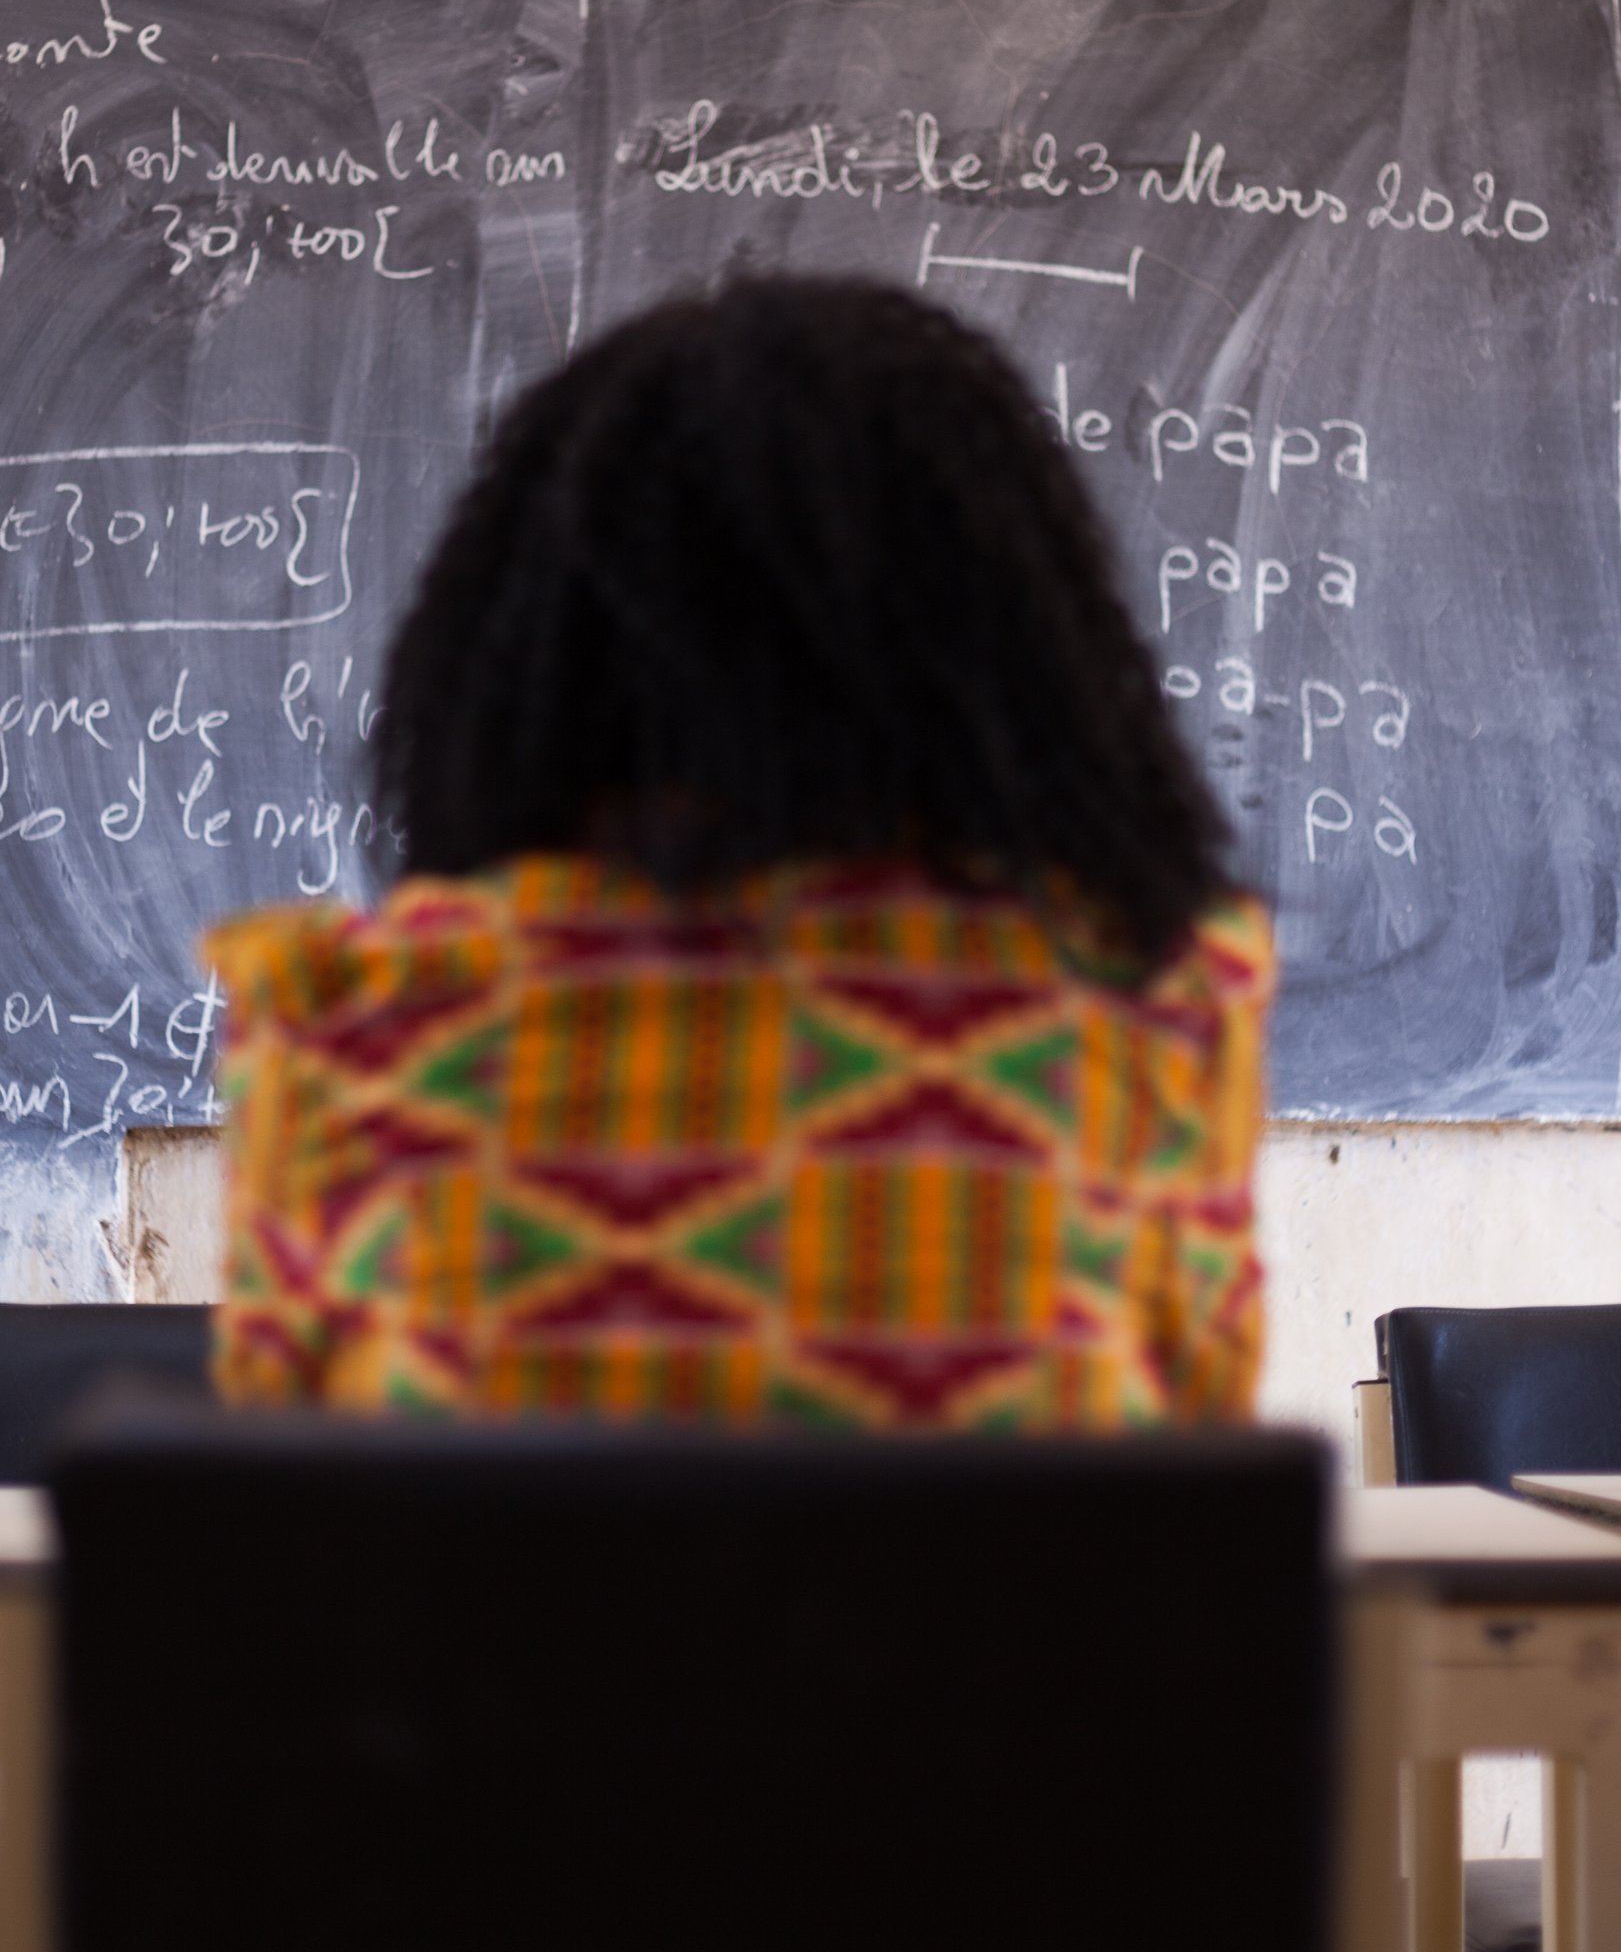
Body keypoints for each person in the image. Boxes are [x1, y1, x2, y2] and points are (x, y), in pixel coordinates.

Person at [206, 277, 1274, 1428]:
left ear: (514, 656)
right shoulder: (1158, 1021)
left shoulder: (341, 1037)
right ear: (1024, 663)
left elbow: (283, 1537)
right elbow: (1184, 1463)